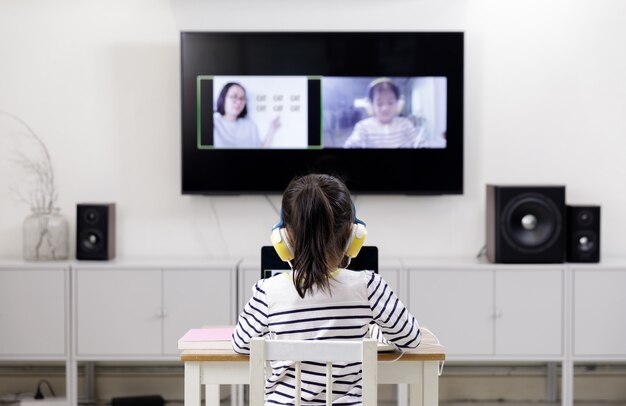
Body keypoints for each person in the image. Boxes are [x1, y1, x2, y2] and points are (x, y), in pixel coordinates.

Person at [232, 173, 421, 405]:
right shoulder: (369, 286)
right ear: (353, 236)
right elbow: (410, 339)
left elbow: (240, 344)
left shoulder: (267, 292)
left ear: (284, 238)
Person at [344, 78, 424, 148]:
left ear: (398, 104)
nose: (385, 108)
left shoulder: (405, 124)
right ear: (371, 106)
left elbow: (420, 143)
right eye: (379, 104)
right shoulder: (363, 127)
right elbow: (351, 144)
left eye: (390, 102)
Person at [213, 82, 281, 148]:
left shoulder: (251, 126)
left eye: (242, 98)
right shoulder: (213, 124)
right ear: (223, 98)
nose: (239, 102)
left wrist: (272, 129)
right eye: (234, 96)